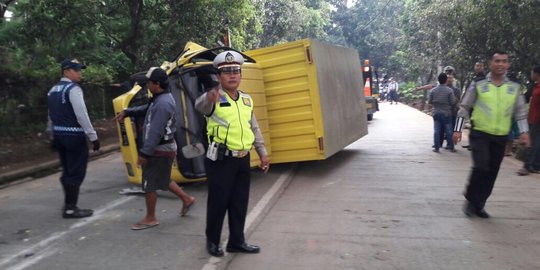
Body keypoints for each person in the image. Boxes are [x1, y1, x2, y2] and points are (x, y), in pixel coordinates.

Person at [195, 51, 270, 257]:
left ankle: (237, 241)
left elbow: (253, 128)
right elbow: (200, 105)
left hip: (242, 158)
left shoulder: (246, 99)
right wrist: (208, 96)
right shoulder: (214, 97)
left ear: (240, 74)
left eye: (236, 70)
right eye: (226, 71)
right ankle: (212, 241)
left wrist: (262, 153)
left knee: (239, 202)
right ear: (219, 77)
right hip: (220, 159)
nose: (232, 75)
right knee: (219, 202)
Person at [115, 67, 195, 230]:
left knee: (149, 183)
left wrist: (144, 153)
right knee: (163, 179)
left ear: (156, 84)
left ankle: (150, 218)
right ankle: (186, 199)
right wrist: (128, 111)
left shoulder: (163, 103)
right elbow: (146, 109)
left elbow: (155, 132)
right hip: (164, 148)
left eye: (149, 83)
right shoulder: (159, 99)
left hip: (159, 149)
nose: (147, 86)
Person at [453, 51, 530, 218]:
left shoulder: (514, 87)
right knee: (481, 166)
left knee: (492, 171)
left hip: (501, 135)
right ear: (490, 63)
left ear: (508, 64)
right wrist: (458, 129)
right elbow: (465, 106)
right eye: (497, 61)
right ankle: (471, 199)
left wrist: (524, 132)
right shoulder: (479, 83)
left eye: (504, 61)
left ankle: (480, 204)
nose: (500, 65)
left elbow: (520, 112)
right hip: (480, 133)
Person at [47, 58, 100, 219]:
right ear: (66, 71)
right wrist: (93, 136)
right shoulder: (73, 89)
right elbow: (81, 115)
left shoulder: (53, 90)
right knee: (76, 171)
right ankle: (70, 208)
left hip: (59, 135)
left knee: (67, 170)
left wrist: (51, 135)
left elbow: (50, 116)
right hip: (74, 137)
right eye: (76, 70)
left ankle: (68, 204)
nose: (79, 73)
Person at [517, 65, 540, 175]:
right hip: (532, 118)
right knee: (537, 143)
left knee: (532, 143)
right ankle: (535, 165)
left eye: (532, 72)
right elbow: (525, 98)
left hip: (537, 119)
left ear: (536, 74)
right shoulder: (535, 87)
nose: (531, 75)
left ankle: (527, 166)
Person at [429, 73, 456, 152]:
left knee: (437, 130)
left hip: (436, 113)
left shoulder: (433, 90)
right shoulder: (449, 90)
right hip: (447, 113)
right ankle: (451, 147)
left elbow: (430, 101)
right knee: (449, 131)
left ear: (438, 80)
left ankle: (437, 147)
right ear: (446, 80)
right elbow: (452, 102)